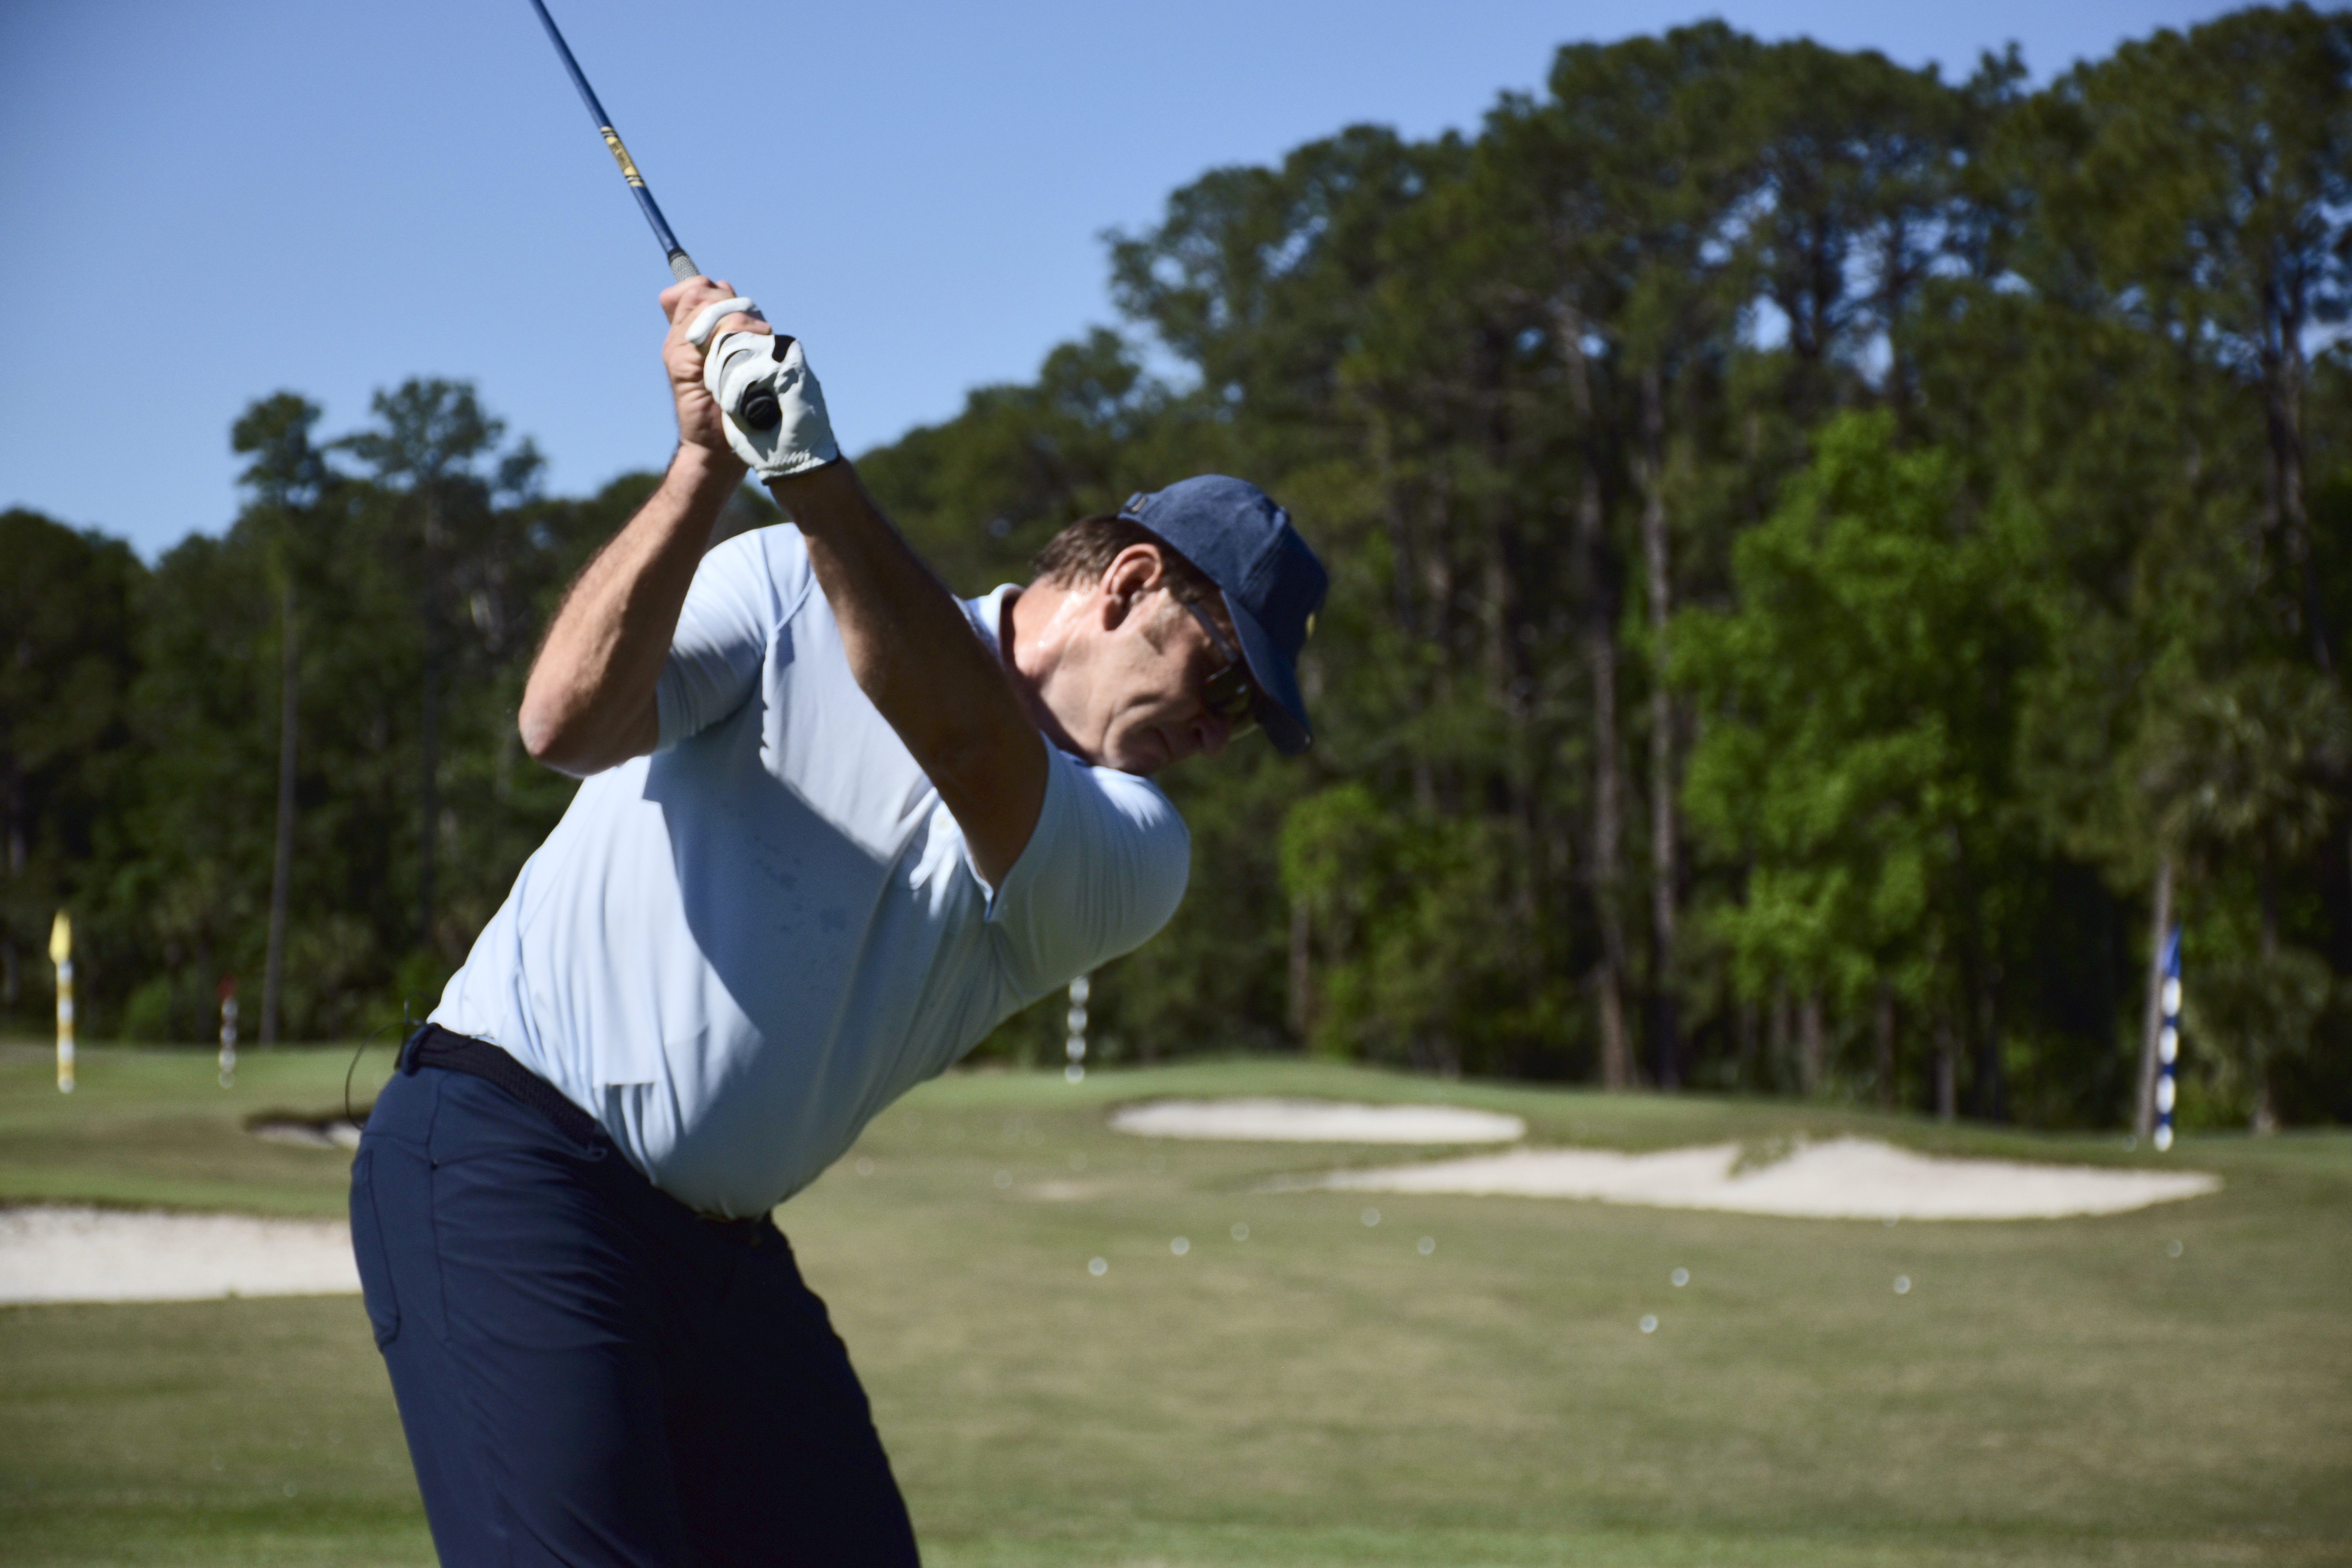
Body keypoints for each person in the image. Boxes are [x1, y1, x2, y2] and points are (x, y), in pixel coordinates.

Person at [348, 275, 1329, 1567]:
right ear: (1130, 582)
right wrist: (708, 464)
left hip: (718, 1253)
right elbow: (562, 724)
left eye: (1247, 723)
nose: (1216, 736)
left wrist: (808, 468)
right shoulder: (783, 589)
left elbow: (964, 740)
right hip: (505, 1158)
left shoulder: (1138, 848)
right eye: (1225, 681)